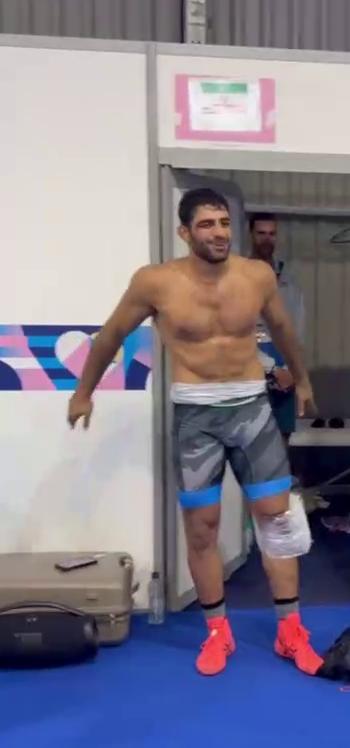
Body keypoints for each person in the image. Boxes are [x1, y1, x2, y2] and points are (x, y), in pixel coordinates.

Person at [66, 187, 323, 679]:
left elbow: (283, 329)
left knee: (277, 519)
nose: (219, 233)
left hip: (252, 410)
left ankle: (291, 630)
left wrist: (303, 378)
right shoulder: (155, 282)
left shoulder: (256, 275)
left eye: (224, 223)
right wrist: (84, 392)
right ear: (185, 232)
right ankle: (217, 632)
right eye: (207, 224)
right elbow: (112, 334)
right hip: (195, 418)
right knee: (202, 528)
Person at [248, 213, 306, 450]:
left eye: (272, 234)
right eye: (261, 233)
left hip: (284, 365)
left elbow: (297, 328)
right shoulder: (238, 276)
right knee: (251, 441)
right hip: (249, 366)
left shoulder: (287, 279)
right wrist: (270, 368)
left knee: (282, 439)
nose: (267, 239)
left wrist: (293, 370)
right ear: (251, 235)